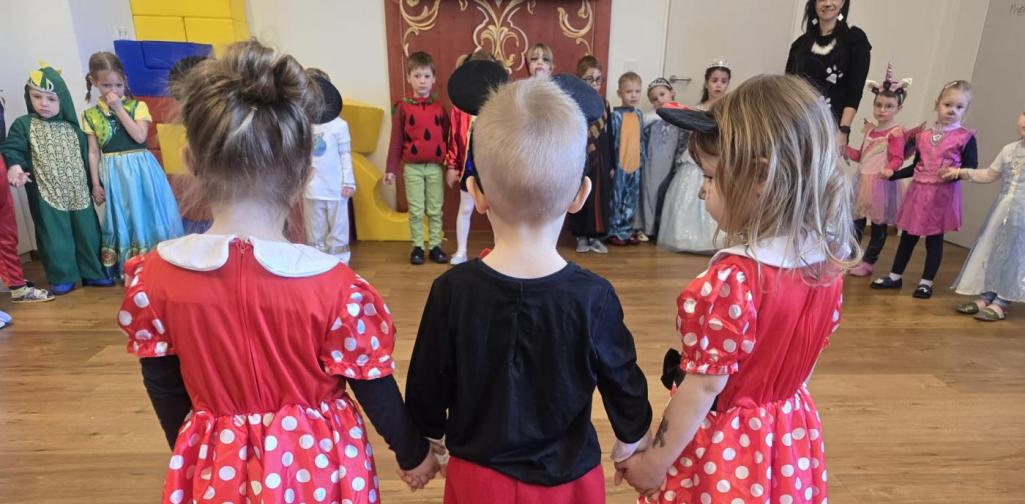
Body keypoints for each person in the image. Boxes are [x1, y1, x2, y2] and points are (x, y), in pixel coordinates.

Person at [117, 40, 440, 503]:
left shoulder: (152, 280)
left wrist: (193, 452)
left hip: (217, 467)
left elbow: (164, 387)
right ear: (306, 175)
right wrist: (413, 454)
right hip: (322, 470)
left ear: (189, 161)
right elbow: (373, 385)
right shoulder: (337, 289)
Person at [405, 77, 652, 503]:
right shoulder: (594, 297)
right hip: (568, 482)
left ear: (476, 194)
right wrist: (632, 439)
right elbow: (623, 379)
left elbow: (427, 380)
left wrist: (427, 438)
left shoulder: (451, 290)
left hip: (478, 479)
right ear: (580, 195)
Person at [616, 74, 857, 503]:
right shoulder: (827, 263)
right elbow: (804, 364)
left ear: (760, 175)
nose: (701, 192)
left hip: (728, 445)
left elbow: (704, 387)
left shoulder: (733, 281)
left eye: (710, 178)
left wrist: (655, 461)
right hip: (786, 433)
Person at [1, 64, 112, 295]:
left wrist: (96, 185)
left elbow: (88, 159)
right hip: (47, 194)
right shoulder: (24, 124)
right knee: (54, 237)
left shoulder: (74, 129)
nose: (44, 103)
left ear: (63, 100)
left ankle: (93, 271)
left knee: (88, 233)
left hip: (79, 193)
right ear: (28, 97)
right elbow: (12, 148)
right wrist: (15, 167)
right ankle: (62, 276)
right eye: (37, 97)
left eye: (51, 99)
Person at [872, 81, 977, 299]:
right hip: (918, 193)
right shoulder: (924, 136)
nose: (952, 110)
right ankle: (895, 276)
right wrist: (893, 174)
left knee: (934, 239)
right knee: (908, 236)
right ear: (937, 104)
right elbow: (916, 166)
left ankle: (926, 282)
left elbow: (971, 167)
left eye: (959, 107)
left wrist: (955, 172)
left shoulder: (965, 137)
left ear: (966, 110)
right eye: (948, 104)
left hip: (941, 196)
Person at [82, 51, 184, 279]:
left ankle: (160, 262)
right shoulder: (90, 115)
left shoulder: (137, 107)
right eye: (107, 85)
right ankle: (132, 266)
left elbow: (139, 136)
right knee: (125, 214)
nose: (114, 91)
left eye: (118, 85)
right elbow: (93, 152)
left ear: (125, 81)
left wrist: (119, 108)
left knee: (149, 211)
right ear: (94, 81)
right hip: (114, 172)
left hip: (141, 169)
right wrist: (96, 183)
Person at [948, 107, 1025, 321]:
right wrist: (960, 172)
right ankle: (987, 295)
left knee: (1015, 255)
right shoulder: (1009, 150)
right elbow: (990, 175)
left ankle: (1002, 300)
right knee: (992, 250)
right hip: (1002, 210)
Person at [844, 63, 911, 277]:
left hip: (880, 183)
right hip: (862, 180)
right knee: (856, 222)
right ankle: (852, 256)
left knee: (878, 225)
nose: (882, 110)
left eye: (889, 106)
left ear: (898, 109)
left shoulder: (895, 132)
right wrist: (844, 149)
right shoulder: (870, 131)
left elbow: (897, 158)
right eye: (879, 105)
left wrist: (890, 169)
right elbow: (861, 156)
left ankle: (868, 261)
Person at [385, 51, 449, 265]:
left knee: (435, 209)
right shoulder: (403, 107)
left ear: (434, 79)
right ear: (409, 78)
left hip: (435, 168)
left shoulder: (439, 108)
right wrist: (391, 169)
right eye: (417, 76)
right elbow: (396, 139)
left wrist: (452, 165)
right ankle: (418, 247)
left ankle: (435, 246)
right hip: (412, 168)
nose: (422, 81)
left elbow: (447, 137)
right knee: (416, 210)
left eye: (427, 76)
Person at [786, 0, 871, 147]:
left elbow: (855, 92)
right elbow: (787, 89)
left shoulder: (854, 40)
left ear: (843, 3)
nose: (827, 3)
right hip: (798, 128)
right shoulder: (799, 45)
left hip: (831, 129)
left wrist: (843, 130)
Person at [302, 70, 355, 263]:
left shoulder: (339, 126)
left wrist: (348, 182)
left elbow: (345, 155)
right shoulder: (303, 125)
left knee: (338, 228)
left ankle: (340, 263)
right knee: (315, 229)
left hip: (335, 188)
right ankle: (319, 263)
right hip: (312, 188)